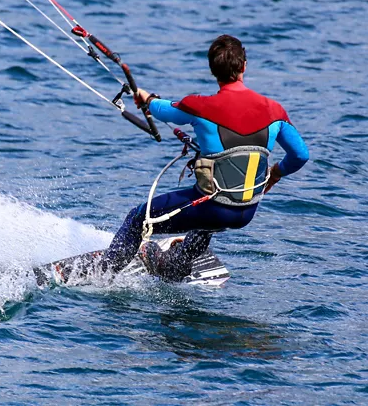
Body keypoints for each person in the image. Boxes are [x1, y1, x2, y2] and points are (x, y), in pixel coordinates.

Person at [104, 35, 309, 281]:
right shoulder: (274, 111)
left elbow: (160, 109)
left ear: (213, 71)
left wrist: (146, 98)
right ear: (244, 66)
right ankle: (177, 263)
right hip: (246, 211)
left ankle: (102, 275)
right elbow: (300, 155)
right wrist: (275, 173)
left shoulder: (199, 106)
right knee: (207, 212)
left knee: (138, 218)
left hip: (212, 207)